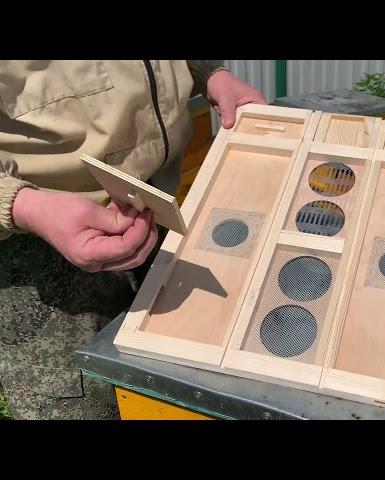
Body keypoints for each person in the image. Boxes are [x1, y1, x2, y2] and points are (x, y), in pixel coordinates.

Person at [0, 60, 266, 419]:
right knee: (83, 406)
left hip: (155, 202)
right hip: (39, 242)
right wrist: (21, 205)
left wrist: (207, 72)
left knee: (179, 389)